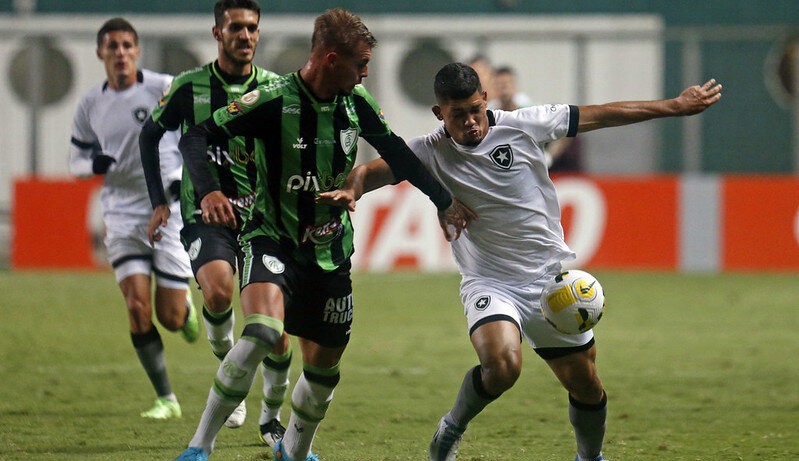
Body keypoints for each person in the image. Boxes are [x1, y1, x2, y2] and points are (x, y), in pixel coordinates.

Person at [318, 62, 722, 461]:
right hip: (490, 282)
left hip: (550, 283)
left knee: (586, 386)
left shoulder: (525, 124)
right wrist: (351, 191)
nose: (471, 122)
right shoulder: (428, 150)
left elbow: (601, 115)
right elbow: (368, 173)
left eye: (475, 110)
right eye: (458, 115)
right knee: (503, 365)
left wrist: (674, 105)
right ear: (440, 114)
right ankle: (451, 428)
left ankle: (590, 456)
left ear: (485, 100)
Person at [173, 8, 473, 461]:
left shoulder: (358, 105)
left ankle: (293, 451)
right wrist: (211, 191)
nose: (366, 72)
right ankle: (199, 446)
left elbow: (398, 154)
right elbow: (195, 136)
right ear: (331, 59)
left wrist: (442, 200)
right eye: (360, 63)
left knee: (323, 372)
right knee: (260, 331)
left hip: (329, 251)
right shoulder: (271, 100)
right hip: (271, 238)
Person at [139, 0, 291, 443]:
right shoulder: (190, 87)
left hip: (262, 219)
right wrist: (158, 202)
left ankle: (271, 417)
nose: (245, 36)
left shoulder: (275, 88)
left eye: (252, 29)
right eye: (236, 28)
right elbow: (150, 136)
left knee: (277, 335)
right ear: (217, 33)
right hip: (205, 216)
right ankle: (233, 378)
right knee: (220, 290)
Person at [69, 17, 199, 420]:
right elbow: (75, 159)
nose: (120, 53)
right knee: (136, 307)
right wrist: (94, 163)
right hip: (122, 215)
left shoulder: (163, 87)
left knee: (170, 317)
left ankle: (186, 310)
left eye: (127, 45)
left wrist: (183, 177)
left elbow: (194, 130)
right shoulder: (91, 103)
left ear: (137, 50)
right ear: (100, 53)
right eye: (112, 46)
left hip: (170, 210)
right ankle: (166, 399)